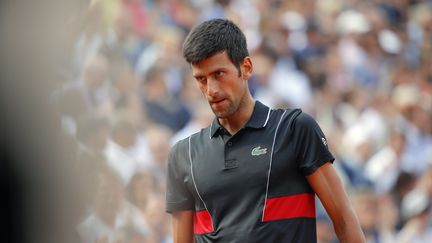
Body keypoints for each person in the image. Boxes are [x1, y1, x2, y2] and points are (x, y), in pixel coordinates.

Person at [165, 18, 365, 243]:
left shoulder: (295, 129)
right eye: (201, 79)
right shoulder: (183, 154)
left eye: (219, 74)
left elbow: (345, 222)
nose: (211, 90)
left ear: (246, 68)